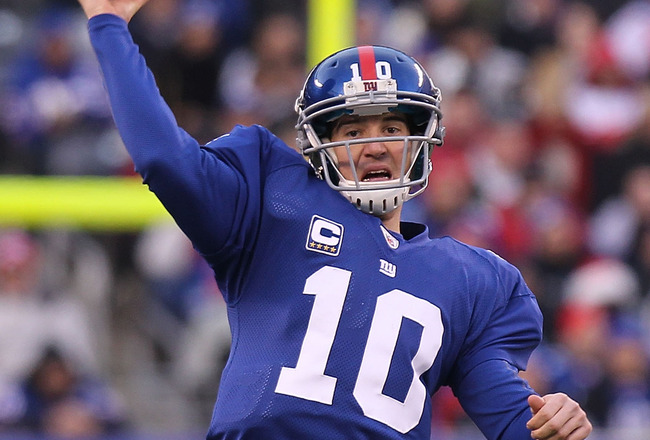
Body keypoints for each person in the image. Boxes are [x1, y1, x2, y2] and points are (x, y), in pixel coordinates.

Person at [76, 0, 593, 439]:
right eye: (352, 131)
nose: (374, 145)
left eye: (392, 125)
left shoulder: (477, 280)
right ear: (318, 145)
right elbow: (166, 159)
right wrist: (108, 25)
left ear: (421, 141)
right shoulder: (273, 198)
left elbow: (512, 420)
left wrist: (553, 422)